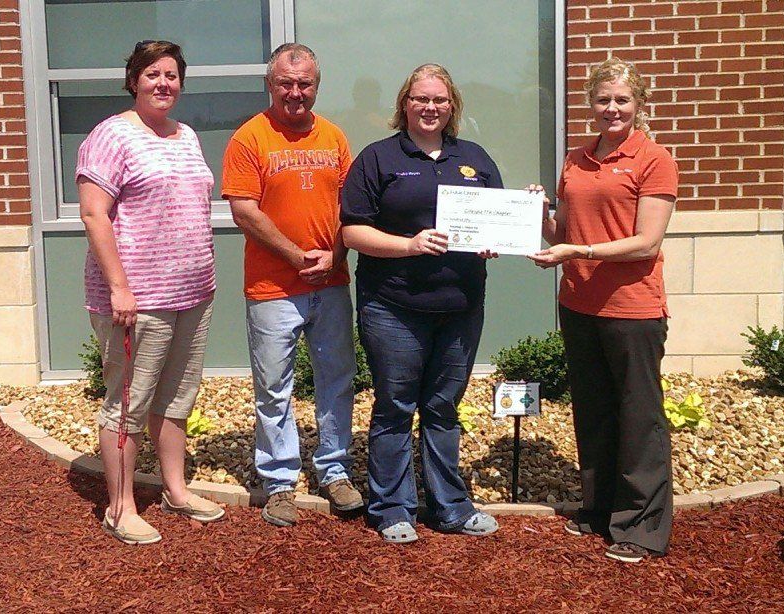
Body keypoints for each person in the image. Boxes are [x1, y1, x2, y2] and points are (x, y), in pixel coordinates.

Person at [341, 63, 501, 544]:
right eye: (421, 99)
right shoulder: (378, 158)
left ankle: (450, 506)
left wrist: (497, 235)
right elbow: (352, 231)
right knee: (395, 405)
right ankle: (392, 508)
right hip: (394, 306)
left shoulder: (473, 158)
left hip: (460, 305)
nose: (430, 108)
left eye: (439, 100)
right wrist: (409, 245)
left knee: (442, 405)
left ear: (452, 107)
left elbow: (496, 219)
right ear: (404, 104)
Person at [528, 57, 679, 563]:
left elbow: (646, 242)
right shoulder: (576, 159)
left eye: (622, 100)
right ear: (591, 104)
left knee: (639, 417)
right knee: (593, 412)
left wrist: (581, 253)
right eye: (603, 100)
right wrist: (538, 211)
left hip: (632, 308)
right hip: (579, 304)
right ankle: (600, 511)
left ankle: (642, 527)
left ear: (638, 104)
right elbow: (562, 233)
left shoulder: (654, 158)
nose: (612, 108)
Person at [77, 40, 225, 545]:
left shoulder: (185, 136)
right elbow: (94, 213)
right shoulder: (111, 135)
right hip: (138, 299)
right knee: (129, 402)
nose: (163, 83)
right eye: (152, 74)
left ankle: (176, 491)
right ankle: (120, 508)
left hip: (193, 291)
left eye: (172, 75)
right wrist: (119, 287)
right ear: (134, 80)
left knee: (177, 398)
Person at [221, 43, 362, 528]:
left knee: (336, 378)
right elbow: (244, 210)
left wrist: (335, 255)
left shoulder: (334, 137)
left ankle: (335, 469)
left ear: (316, 86)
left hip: (332, 281)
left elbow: (352, 207)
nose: (295, 93)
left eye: (304, 84)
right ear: (270, 84)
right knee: (273, 388)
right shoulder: (250, 138)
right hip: (272, 287)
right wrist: (297, 257)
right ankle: (279, 481)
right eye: (286, 83)